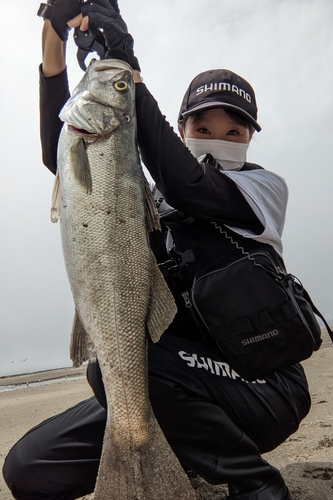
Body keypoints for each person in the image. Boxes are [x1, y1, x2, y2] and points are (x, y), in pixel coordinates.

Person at [2, 1, 311, 499]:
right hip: (170, 375)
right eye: (202, 128)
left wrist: (128, 71)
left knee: (126, 360)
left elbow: (187, 183)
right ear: (181, 128)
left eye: (234, 131)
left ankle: (254, 483)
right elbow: (62, 152)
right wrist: (53, 38)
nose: (218, 140)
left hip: (262, 388)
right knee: (31, 468)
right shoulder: (148, 199)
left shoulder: (263, 191)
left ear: (252, 136)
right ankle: (179, 452)